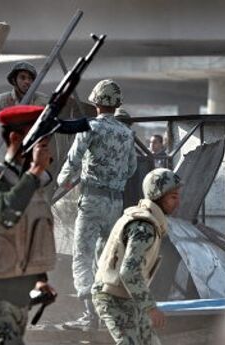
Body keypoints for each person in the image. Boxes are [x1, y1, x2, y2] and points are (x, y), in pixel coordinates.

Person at [0, 105, 57, 344]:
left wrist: (40, 279)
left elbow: (28, 234)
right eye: (38, 143)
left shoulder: (28, 184)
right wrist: (36, 169)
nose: (44, 150)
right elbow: (6, 215)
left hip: (19, 299)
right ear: (16, 138)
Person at [58, 79, 137, 330]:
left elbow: (72, 162)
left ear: (94, 103)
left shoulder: (89, 127)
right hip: (116, 202)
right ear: (118, 105)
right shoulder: (127, 133)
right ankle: (106, 312)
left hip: (91, 200)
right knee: (105, 258)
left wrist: (61, 182)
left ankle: (90, 313)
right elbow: (132, 168)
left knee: (82, 255)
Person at [92, 168, 182, 345]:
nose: (178, 202)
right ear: (158, 196)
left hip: (127, 297)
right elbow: (130, 273)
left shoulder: (143, 219)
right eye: (173, 197)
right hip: (113, 298)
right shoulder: (144, 227)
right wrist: (150, 308)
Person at [0, 61, 48, 132]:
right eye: (22, 77)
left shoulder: (43, 101)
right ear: (14, 80)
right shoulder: (2, 100)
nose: (27, 81)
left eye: (30, 78)